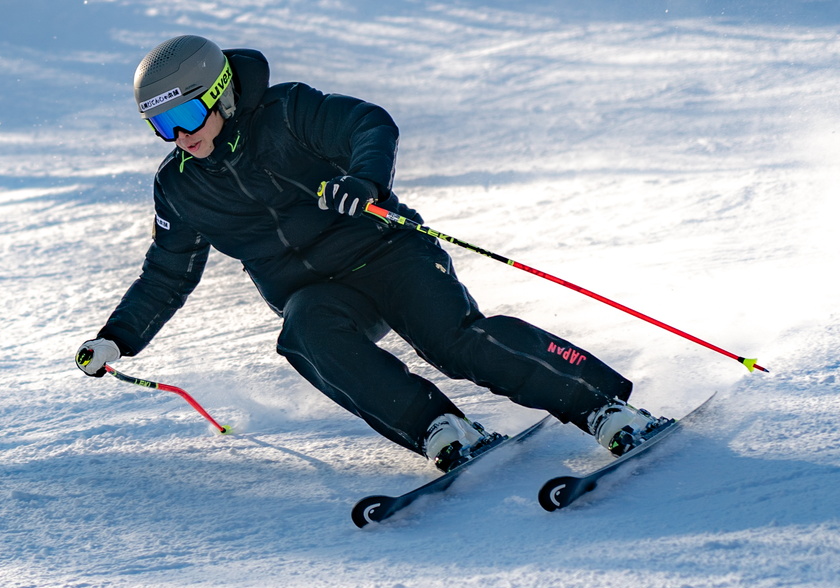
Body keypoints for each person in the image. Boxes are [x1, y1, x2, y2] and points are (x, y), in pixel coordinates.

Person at [76, 35, 667, 472]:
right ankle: (438, 427)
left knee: (452, 342)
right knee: (303, 334)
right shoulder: (181, 186)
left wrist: (364, 183)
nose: (180, 137)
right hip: (318, 293)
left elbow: (369, 123)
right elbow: (167, 275)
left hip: (388, 250)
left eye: (184, 114)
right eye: (161, 125)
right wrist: (117, 338)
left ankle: (604, 409)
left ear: (222, 92)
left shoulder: (287, 112)